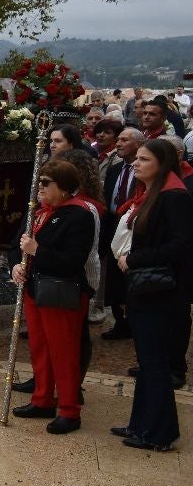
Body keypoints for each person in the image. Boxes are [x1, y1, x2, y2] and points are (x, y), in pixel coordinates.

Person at [113, 138, 192, 451]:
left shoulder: (174, 197)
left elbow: (181, 245)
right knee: (146, 360)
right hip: (145, 289)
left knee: (155, 361)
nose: (136, 163)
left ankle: (159, 432)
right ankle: (141, 423)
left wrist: (134, 259)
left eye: (144, 159)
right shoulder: (152, 193)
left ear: (162, 163)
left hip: (161, 292)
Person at [11, 160, 97, 434]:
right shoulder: (39, 212)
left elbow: (72, 260)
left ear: (64, 187)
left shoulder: (79, 214)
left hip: (62, 292)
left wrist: (36, 251)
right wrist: (17, 265)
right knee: (40, 348)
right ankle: (42, 399)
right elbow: (19, 245)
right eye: (39, 182)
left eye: (46, 183)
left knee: (64, 353)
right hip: (36, 289)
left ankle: (70, 411)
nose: (40, 187)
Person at [101, 127, 144, 340]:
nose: (118, 143)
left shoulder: (144, 172)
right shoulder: (115, 169)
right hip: (113, 226)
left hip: (133, 229)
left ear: (138, 144)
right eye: (117, 139)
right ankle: (120, 321)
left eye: (124, 140)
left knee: (130, 277)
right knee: (115, 280)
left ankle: (134, 323)